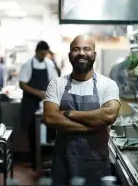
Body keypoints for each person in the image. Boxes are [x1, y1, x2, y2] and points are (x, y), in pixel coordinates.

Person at [43, 35, 121, 185]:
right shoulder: (56, 84)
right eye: (76, 49)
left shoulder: (108, 85)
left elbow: (109, 115)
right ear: (69, 55)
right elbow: (50, 118)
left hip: (97, 164)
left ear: (94, 55)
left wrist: (68, 113)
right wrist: (93, 125)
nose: (81, 53)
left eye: (87, 49)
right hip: (63, 165)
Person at [18, 40, 59, 171]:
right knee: (33, 132)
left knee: (50, 129)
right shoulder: (27, 65)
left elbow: (54, 81)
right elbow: (22, 84)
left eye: (45, 54)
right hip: (30, 103)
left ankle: (48, 160)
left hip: (45, 103)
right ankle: (35, 162)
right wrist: (38, 93)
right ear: (36, 52)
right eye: (41, 54)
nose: (43, 56)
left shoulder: (49, 64)